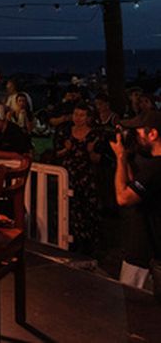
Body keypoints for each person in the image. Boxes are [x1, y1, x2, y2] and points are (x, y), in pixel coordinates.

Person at [110, 110, 161, 300]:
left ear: (152, 134)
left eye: (138, 132)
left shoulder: (155, 169)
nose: (135, 137)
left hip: (143, 252)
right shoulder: (151, 166)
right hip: (150, 250)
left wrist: (120, 158)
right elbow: (137, 187)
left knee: (133, 308)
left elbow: (123, 197)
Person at [54, 101, 101, 254]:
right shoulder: (65, 132)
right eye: (76, 114)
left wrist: (91, 151)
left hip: (86, 176)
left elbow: (97, 159)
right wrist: (65, 150)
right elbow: (55, 153)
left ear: (88, 117)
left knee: (87, 208)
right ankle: (69, 240)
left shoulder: (94, 135)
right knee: (69, 208)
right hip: (69, 175)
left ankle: (88, 244)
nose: (78, 118)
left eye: (82, 115)